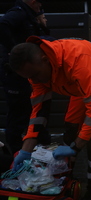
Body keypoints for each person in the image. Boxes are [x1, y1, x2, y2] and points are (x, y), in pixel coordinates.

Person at [9, 35, 91, 200]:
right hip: (79, 83)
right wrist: (25, 150)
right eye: (29, 78)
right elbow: (39, 114)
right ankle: (66, 179)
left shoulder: (77, 61)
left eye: (35, 75)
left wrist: (76, 147)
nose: (34, 81)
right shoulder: (37, 71)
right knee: (71, 127)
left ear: (45, 59)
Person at [0, 0, 44, 155]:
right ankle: (15, 153)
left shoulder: (31, 16)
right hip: (15, 75)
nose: (40, 8)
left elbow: (42, 40)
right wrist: (14, 51)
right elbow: (3, 24)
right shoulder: (19, 13)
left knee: (31, 108)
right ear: (33, 2)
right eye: (39, 5)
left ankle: (35, 146)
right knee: (18, 112)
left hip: (27, 73)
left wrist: (42, 24)